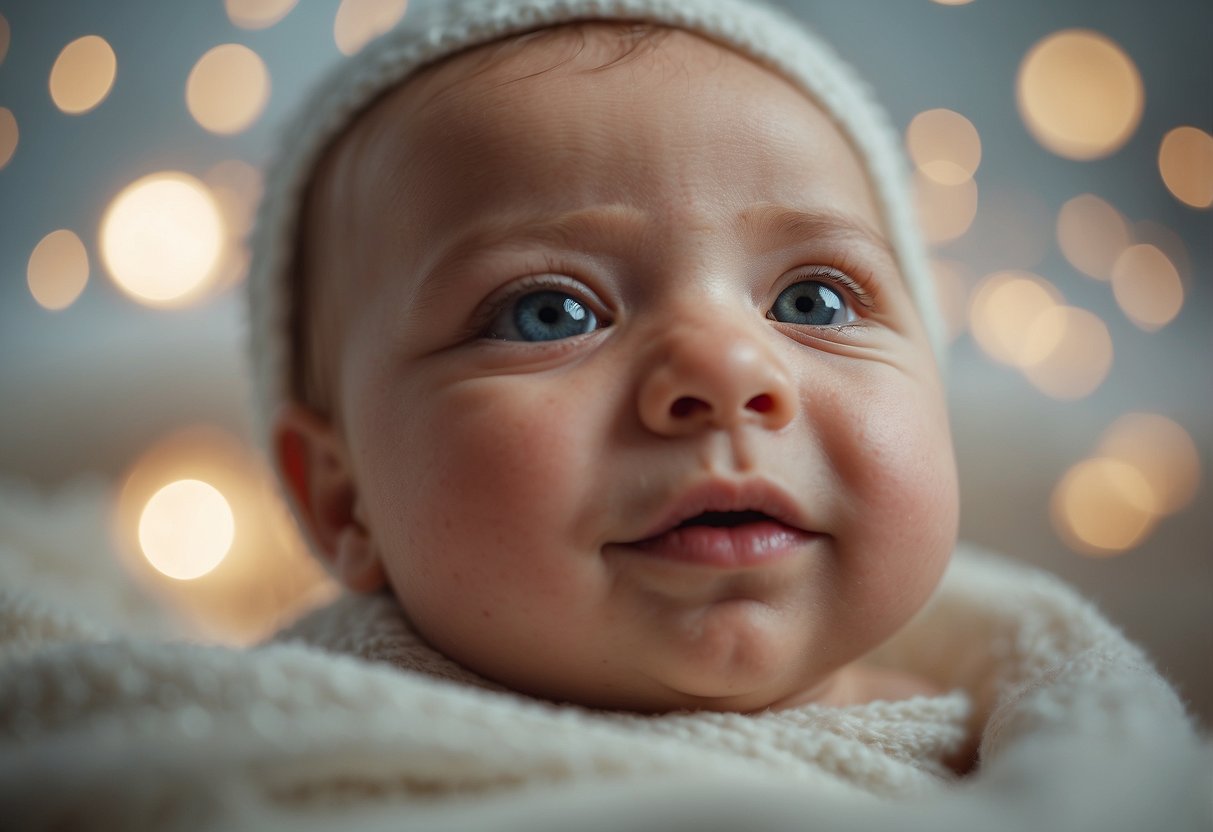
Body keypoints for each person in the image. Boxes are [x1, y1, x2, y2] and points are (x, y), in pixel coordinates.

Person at [2, 0, 1203, 829]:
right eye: (547, 313)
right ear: (341, 496)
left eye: (814, 297)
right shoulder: (250, 747)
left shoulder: (1011, 740)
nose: (727, 372)